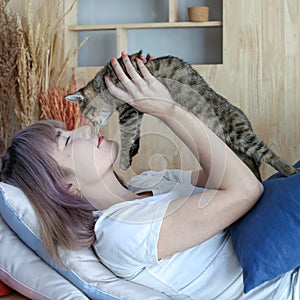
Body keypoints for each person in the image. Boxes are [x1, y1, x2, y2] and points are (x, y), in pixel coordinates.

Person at [1, 52, 298, 299]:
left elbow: (235, 173)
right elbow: (246, 191)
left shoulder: (148, 183)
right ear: (65, 186)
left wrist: (177, 94)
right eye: (66, 140)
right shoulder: (121, 232)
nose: (84, 129)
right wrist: (167, 110)